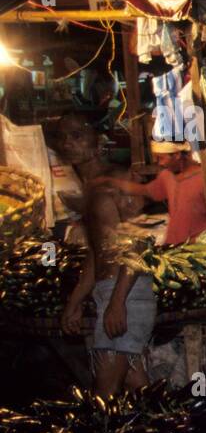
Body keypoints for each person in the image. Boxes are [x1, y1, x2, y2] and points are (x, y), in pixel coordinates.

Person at [59, 116, 157, 397]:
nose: (68, 143)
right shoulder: (90, 189)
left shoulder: (118, 181)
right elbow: (97, 252)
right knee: (137, 387)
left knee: (105, 391)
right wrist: (75, 301)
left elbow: (139, 243)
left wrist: (118, 301)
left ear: (98, 141)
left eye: (77, 135)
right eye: (63, 137)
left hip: (128, 292)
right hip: (109, 291)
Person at [92, 140, 206, 244]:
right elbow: (145, 190)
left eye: (161, 158)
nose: (159, 163)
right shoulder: (167, 176)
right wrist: (109, 181)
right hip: (174, 247)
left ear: (177, 155)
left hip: (199, 249)